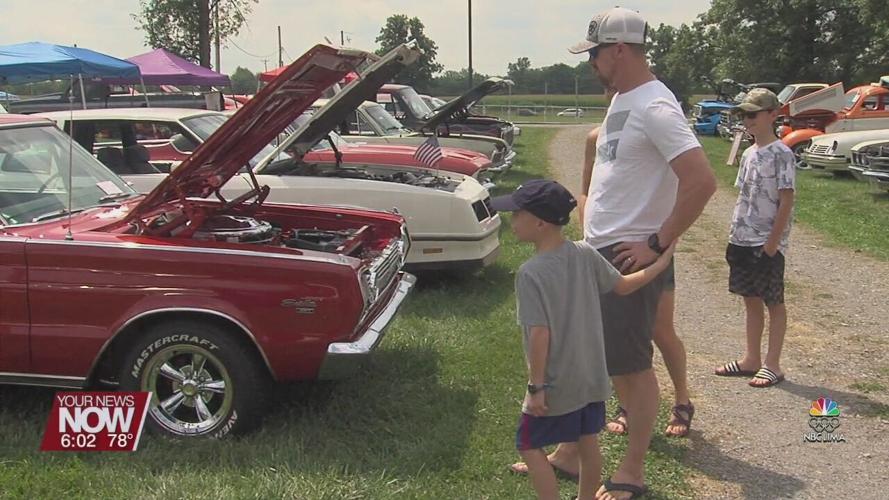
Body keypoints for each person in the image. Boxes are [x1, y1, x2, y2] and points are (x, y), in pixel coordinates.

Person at [570, 7, 716, 500]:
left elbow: (701, 181)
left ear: (618, 50)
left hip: (625, 254)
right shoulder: (623, 100)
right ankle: (572, 453)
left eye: (594, 53)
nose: (590, 62)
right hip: (599, 249)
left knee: (631, 366)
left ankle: (632, 470)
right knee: (595, 359)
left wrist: (656, 242)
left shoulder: (655, 106)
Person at [494, 179, 675, 500]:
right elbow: (623, 286)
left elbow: (539, 333)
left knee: (528, 443)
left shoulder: (530, 273)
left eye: (517, 213)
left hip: (555, 381)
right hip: (592, 376)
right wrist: (659, 264)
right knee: (587, 438)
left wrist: (536, 386)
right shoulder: (584, 252)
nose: (512, 220)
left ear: (539, 222)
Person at [714, 88, 795, 388]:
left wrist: (773, 241)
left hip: (766, 242)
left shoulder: (782, 154)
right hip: (742, 238)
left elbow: (786, 200)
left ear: (772, 114)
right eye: (744, 115)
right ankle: (751, 359)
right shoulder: (748, 153)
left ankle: (773, 364)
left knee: (773, 301)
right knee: (750, 300)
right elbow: (744, 196)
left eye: (753, 114)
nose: (748, 120)